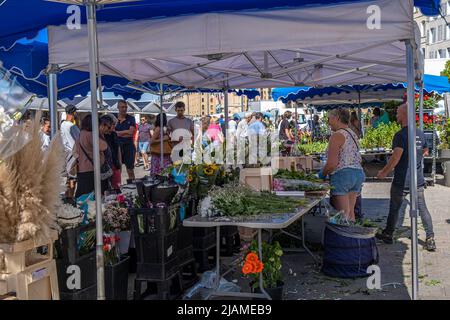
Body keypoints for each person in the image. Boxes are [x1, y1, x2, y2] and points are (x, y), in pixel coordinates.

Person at [376, 103, 436, 251]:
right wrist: (416, 159)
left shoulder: (400, 135)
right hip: (417, 179)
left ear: (404, 115)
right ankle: (430, 238)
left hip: (402, 180)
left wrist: (384, 172)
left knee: (394, 208)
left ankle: (389, 234)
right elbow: (426, 150)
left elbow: (396, 157)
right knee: (422, 209)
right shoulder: (420, 133)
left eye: (397, 113)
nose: (396, 115)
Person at [321, 108, 365, 221]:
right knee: (350, 214)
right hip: (357, 174)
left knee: (342, 216)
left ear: (337, 118)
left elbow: (332, 163)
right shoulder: (352, 133)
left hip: (343, 176)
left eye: (329, 118)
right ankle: (354, 237)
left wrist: (321, 175)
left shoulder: (337, 135)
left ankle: (344, 237)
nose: (328, 122)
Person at [74, 115, 109, 198]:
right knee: (90, 196)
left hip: (81, 169)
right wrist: (100, 134)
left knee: (82, 195)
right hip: (91, 169)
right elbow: (104, 146)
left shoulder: (80, 134)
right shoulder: (90, 135)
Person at [60, 104, 80, 200]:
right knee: (73, 178)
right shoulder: (72, 126)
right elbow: (79, 139)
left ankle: (67, 196)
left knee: (67, 177)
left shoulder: (62, 124)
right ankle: (70, 197)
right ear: (74, 113)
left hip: (64, 152)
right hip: (73, 153)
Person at [115, 100, 136, 181]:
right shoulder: (114, 118)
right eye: (122, 107)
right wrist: (125, 132)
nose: (124, 109)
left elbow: (131, 133)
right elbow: (112, 132)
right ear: (118, 107)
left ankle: (133, 186)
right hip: (117, 147)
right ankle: (118, 188)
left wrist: (117, 133)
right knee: (118, 170)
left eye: (125, 107)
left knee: (130, 169)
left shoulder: (131, 118)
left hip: (129, 146)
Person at [103, 114, 122, 191]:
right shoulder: (101, 135)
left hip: (115, 164)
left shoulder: (114, 134)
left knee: (117, 187)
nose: (114, 126)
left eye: (115, 124)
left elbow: (118, 149)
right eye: (113, 124)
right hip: (105, 166)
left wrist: (120, 163)